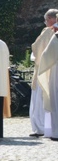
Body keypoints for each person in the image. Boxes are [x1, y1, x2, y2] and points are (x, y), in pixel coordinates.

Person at [29, 9, 58, 137]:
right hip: (52, 68)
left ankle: (41, 128)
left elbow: (37, 49)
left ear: (53, 19)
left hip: (46, 70)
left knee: (42, 101)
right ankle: (50, 129)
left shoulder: (48, 32)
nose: (45, 22)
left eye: (46, 20)